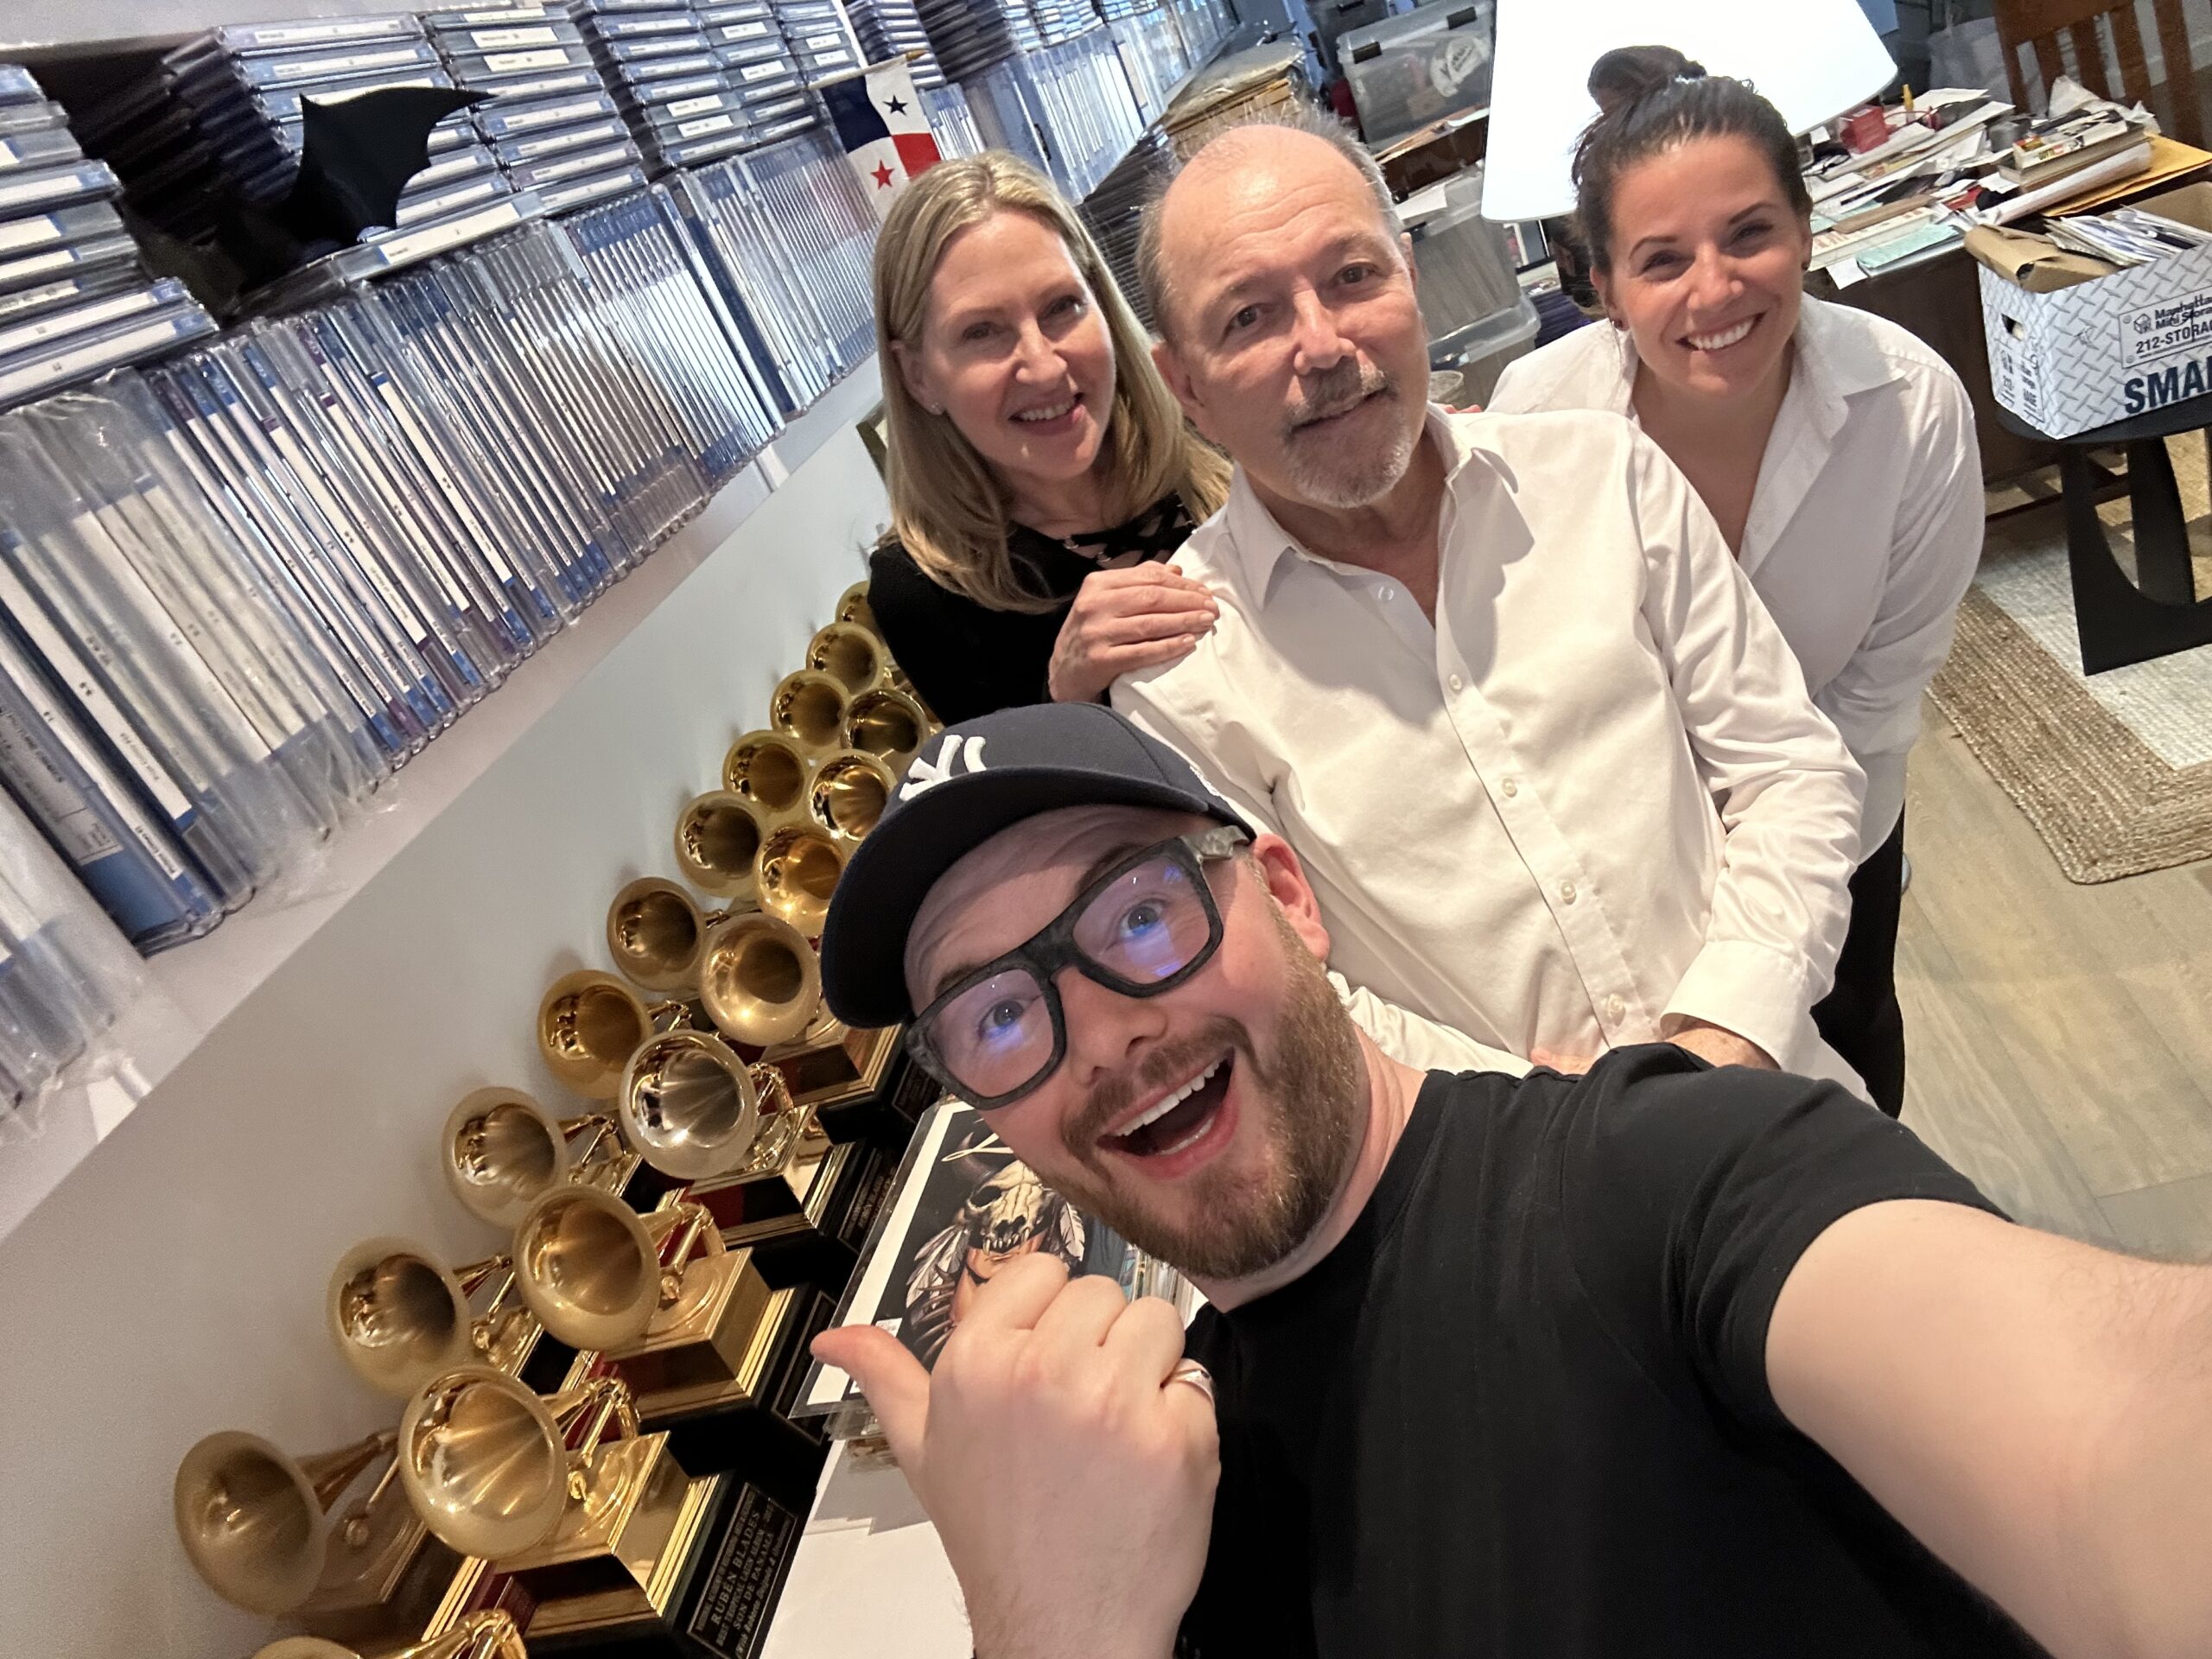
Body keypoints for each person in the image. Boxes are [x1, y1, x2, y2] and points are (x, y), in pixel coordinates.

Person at [813, 700, 2212, 1659]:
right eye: (1002, 1014)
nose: (1108, 1034)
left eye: (1139, 913)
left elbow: (2117, 1432)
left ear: (1290, 898)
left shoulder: (1657, 1179)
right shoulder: (1160, 1493)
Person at [1114, 111, 1871, 1094]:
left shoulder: (1604, 475)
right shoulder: (1181, 677)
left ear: (1409, 278)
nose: (1325, 344)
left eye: (1354, 276)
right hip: (1494, 1164)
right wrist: (1545, 1117)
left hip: (1775, 1086)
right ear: (1185, 385)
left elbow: (1788, 768)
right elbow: (1284, 987)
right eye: (1248, 318)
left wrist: (1726, 1029)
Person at [1488, 51, 1983, 1116]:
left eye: (1749, 234)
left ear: (1804, 229)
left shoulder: (1911, 409)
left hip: (1838, 811)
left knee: (1847, 1041)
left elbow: (1880, 689)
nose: (1714, 289)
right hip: (1619, 832)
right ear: (1604, 288)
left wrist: (1776, 878)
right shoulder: (1534, 417)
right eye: (1661, 260)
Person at [866, 152, 1232, 726]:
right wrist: (1064, 695)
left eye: (1062, 307)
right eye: (982, 332)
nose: (1042, 367)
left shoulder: (1209, 415)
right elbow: (1019, 780)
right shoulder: (920, 592)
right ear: (918, 376)